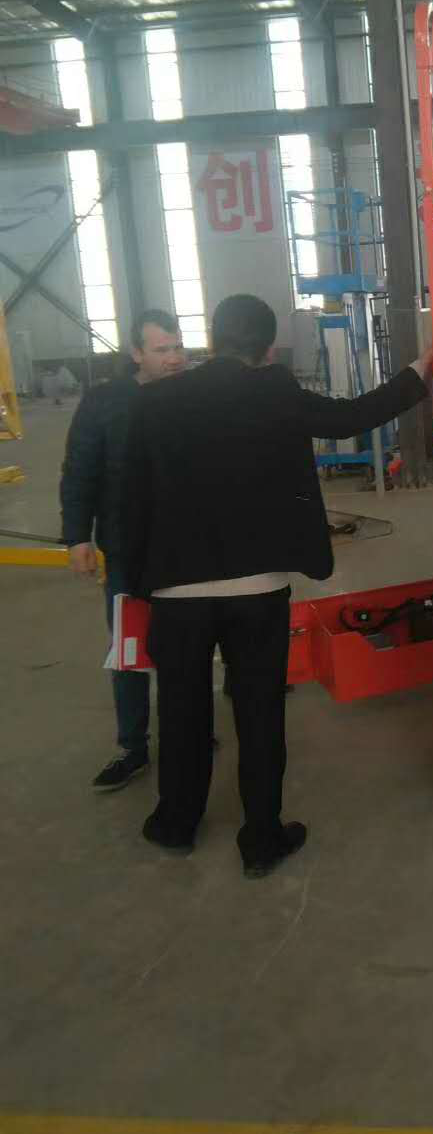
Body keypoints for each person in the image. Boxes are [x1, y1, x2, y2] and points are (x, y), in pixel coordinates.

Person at [123, 293, 433, 879]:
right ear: (268, 348)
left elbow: (128, 497)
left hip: (175, 593)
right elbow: (353, 417)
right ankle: (262, 839)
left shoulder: (154, 402)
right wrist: (420, 371)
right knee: (259, 712)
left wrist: (132, 579)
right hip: (257, 588)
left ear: (212, 338)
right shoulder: (276, 392)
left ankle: (175, 823)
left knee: (183, 712)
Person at [60, 310, 187, 791]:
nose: (174, 358)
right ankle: (133, 746)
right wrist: (77, 537)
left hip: (185, 550)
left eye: (178, 347)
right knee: (131, 650)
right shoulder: (105, 403)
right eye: (161, 349)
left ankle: (187, 730)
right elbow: (80, 471)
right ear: (136, 353)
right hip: (128, 553)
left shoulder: (192, 397)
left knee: (185, 647)